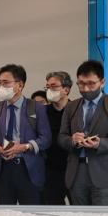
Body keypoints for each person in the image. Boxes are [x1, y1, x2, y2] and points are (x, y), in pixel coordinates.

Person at [58, 60, 108, 206]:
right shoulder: (71, 106)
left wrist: (99, 143)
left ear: (102, 82)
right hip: (76, 173)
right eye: (81, 84)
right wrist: (72, 140)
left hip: (104, 173)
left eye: (91, 83)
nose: (86, 89)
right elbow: (61, 137)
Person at [0, 64, 51, 205]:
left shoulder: (36, 108)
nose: (1, 87)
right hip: (3, 169)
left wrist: (25, 146)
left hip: (28, 168)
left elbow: (46, 139)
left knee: (30, 213)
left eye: (6, 82)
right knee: (5, 213)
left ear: (20, 85)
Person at [43, 71, 73, 205]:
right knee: (53, 209)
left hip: (73, 168)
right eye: (47, 87)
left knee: (79, 210)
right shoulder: (43, 112)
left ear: (66, 90)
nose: (50, 90)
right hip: (50, 169)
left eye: (54, 86)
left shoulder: (77, 110)